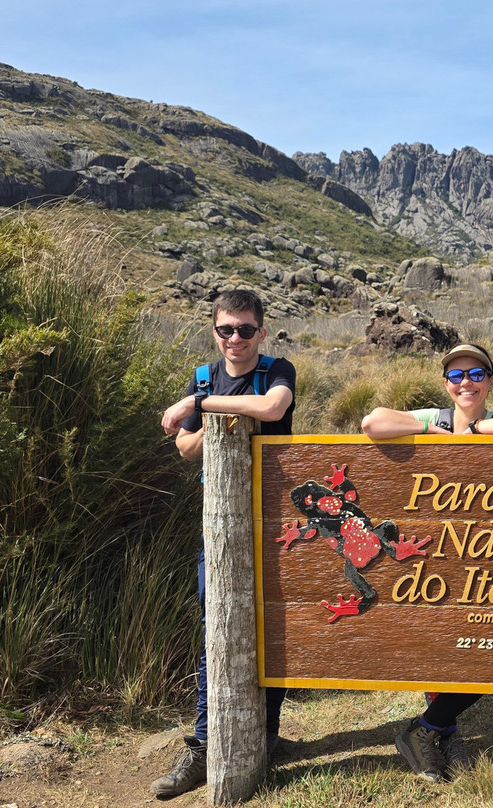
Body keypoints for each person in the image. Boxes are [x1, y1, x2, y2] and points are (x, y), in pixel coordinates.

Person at [361, 342, 493, 782]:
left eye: (476, 374)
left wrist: (475, 431)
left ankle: (430, 726)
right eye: (456, 376)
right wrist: (432, 432)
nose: (466, 383)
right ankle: (443, 730)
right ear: (446, 384)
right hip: (435, 552)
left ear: (490, 381)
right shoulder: (433, 418)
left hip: (487, 553)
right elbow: (373, 422)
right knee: (439, 646)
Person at [151, 289, 296, 799]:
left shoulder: (277, 371)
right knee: (216, 625)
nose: (236, 338)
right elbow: (186, 448)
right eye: (226, 330)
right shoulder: (204, 375)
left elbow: (273, 407)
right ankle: (205, 745)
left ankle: (265, 735)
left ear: (262, 331)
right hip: (220, 522)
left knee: (275, 625)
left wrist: (198, 405)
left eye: (245, 329)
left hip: (276, 521)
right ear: (214, 331)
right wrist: (207, 414)